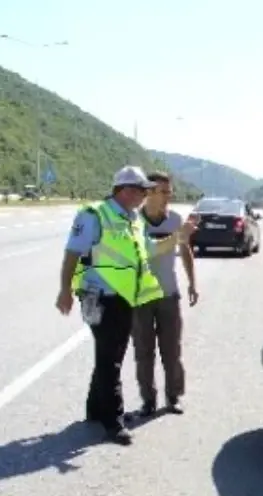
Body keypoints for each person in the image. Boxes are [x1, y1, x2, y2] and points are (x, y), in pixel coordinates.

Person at [55, 166, 196, 444]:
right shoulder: (94, 214)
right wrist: (65, 290)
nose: (146, 196)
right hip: (100, 296)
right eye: (143, 191)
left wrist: (178, 237)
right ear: (127, 190)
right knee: (112, 359)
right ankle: (113, 422)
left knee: (107, 356)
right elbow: (72, 253)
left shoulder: (132, 219)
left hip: (124, 297)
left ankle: (95, 410)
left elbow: (150, 250)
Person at [131, 171, 199, 417]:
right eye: (163, 191)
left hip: (169, 294)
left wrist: (192, 282)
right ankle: (148, 400)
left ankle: (173, 397)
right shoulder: (134, 222)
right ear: (148, 193)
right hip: (140, 298)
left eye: (170, 191)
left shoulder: (176, 219)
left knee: (172, 351)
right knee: (143, 352)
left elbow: (186, 250)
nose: (169, 196)